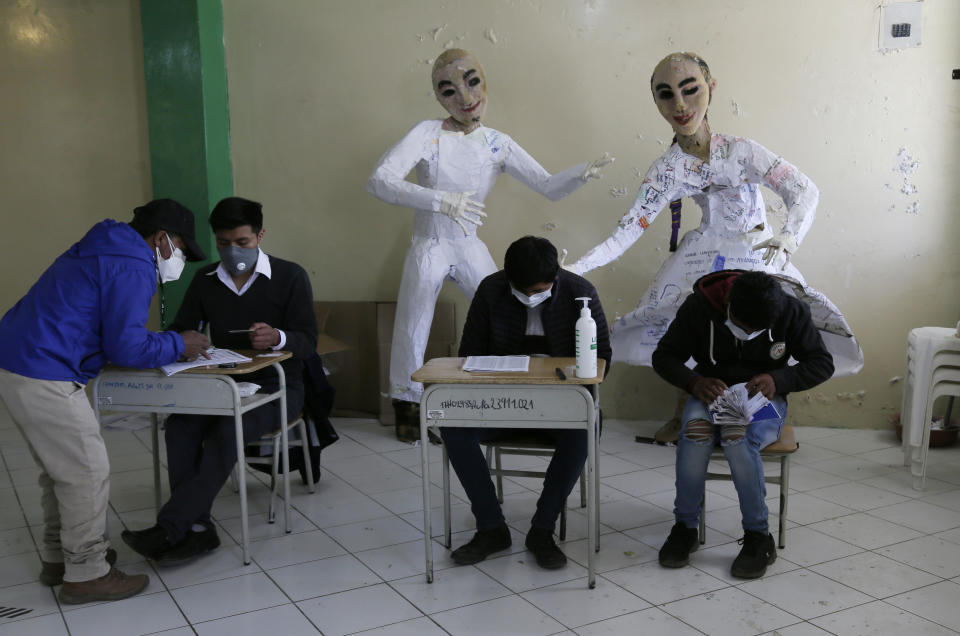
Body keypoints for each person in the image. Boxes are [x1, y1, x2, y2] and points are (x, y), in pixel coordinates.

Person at [566, 52, 861, 442]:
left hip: (758, 249)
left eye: (690, 90)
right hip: (708, 251)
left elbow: (804, 189)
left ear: (711, 88)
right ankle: (689, 407)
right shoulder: (668, 169)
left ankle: (773, 406)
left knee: (779, 319)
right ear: (656, 102)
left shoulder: (742, 150)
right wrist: (575, 269)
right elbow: (627, 230)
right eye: (666, 95)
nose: (681, 105)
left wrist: (789, 237)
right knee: (682, 320)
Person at [366, 48, 613, 442]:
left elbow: (547, 186)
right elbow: (380, 180)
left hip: (466, 243)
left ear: (484, 82)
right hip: (429, 241)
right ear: (437, 97)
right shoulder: (426, 133)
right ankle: (408, 404)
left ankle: (508, 392)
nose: (464, 98)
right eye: (449, 91)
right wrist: (440, 200)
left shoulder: (497, 143)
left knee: (506, 305)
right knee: (413, 319)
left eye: (472, 82)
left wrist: (580, 174)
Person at [0, 199, 209, 604]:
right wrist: (180, 343)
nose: (180, 258)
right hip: (45, 368)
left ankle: (61, 558)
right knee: (86, 471)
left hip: (18, 359)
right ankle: (87, 574)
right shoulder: (132, 264)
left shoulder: (105, 247)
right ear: (161, 239)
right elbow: (127, 347)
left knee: (61, 469)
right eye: (181, 248)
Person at [122, 197, 317, 564]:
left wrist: (277, 338)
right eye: (223, 243)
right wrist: (186, 344)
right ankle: (197, 529)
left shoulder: (290, 276)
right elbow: (181, 328)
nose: (232, 251)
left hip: (278, 388)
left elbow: (309, 342)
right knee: (179, 428)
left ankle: (174, 526)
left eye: (241, 243)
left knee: (228, 431)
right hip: (221, 383)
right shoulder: (206, 279)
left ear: (259, 235)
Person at [441, 236, 611, 569]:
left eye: (539, 291)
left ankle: (542, 530)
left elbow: (602, 358)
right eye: (523, 291)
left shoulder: (582, 293)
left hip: (559, 403)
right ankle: (491, 528)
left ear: (556, 277)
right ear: (509, 279)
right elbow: (468, 353)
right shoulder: (491, 290)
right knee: (453, 426)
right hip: (500, 400)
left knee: (584, 429)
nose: (531, 298)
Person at [652, 270, 833, 578]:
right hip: (710, 394)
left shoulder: (791, 311)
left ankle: (758, 536)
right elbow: (665, 356)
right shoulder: (699, 308)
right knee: (695, 435)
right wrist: (694, 382)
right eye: (742, 326)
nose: (747, 335)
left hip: (765, 401)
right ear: (728, 305)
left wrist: (779, 378)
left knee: (737, 438)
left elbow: (821, 363)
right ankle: (685, 527)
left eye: (757, 331)